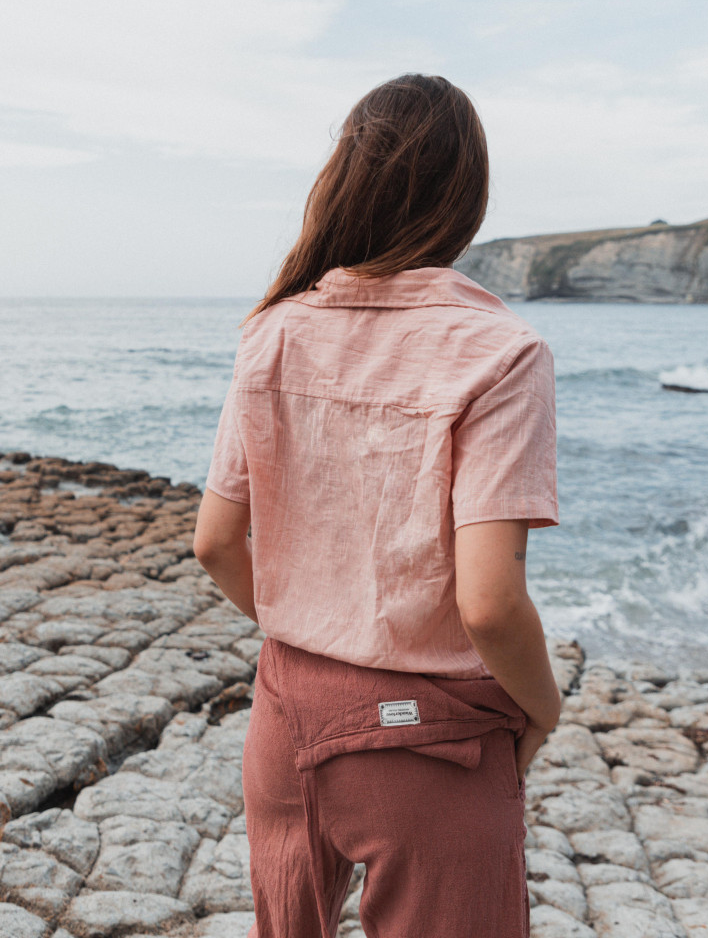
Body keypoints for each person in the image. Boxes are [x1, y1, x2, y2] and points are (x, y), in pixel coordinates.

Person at [194, 73, 561, 938]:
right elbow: (490, 602)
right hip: (432, 743)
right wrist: (542, 708)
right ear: (466, 197)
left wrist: (317, 632)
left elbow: (215, 543)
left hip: (287, 714)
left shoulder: (275, 328)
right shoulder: (501, 351)